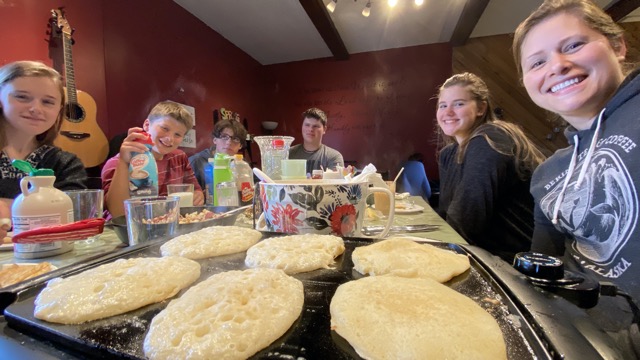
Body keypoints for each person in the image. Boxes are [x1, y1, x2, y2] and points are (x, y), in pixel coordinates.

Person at [514, 1, 640, 354]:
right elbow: (540, 271)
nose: (557, 65)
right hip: (566, 333)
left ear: (618, 45)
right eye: (537, 62)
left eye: (573, 45)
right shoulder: (549, 173)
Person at [435, 72, 546, 262]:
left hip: (513, 265)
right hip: (479, 254)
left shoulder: (491, 139)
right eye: (442, 105)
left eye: (459, 104)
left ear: (481, 108)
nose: (448, 112)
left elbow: (465, 222)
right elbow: (447, 215)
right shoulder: (449, 154)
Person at [0, 60, 87, 234]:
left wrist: (6, 206)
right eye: (22, 97)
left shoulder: (65, 164)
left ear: (59, 110)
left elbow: (73, 216)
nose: (35, 108)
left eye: (48, 102)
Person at [102, 101, 204, 218]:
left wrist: (197, 195)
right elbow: (118, 213)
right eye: (165, 128)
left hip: (167, 227)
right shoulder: (116, 164)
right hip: (128, 230)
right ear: (146, 125)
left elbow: (195, 190)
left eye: (177, 135)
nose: (170, 138)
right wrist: (124, 163)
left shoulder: (179, 157)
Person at [188, 119, 247, 190]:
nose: (229, 142)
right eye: (224, 137)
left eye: (236, 139)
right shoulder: (196, 161)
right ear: (215, 140)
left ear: (240, 145)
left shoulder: (241, 164)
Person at [288, 107, 345, 174]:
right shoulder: (288, 154)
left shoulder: (333, 157)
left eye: (316, 126)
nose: (310, 129)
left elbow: (335, 184)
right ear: (302, 126)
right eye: (307, 125)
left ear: (324, 129)